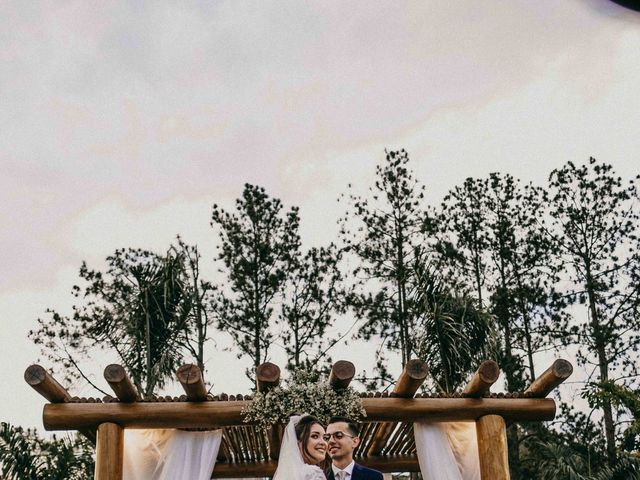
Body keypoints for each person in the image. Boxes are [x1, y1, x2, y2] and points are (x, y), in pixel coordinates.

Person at [273, 415, 328, 480]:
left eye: (325, 438)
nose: (323, 442)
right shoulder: (312, 474)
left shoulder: (285, 473)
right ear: (297, 442)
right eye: (315, 436)